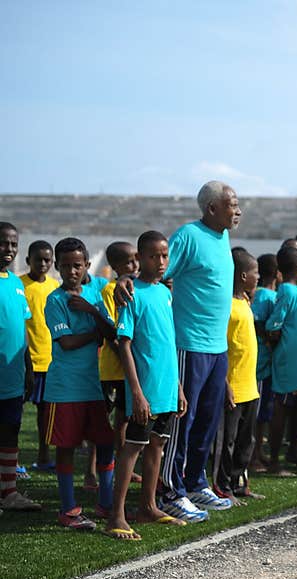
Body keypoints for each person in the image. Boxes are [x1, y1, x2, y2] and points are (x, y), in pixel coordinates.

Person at [115, 180, 241, 521]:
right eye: (232, 204)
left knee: (207, 421)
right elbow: (155, 271)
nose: (238, 210)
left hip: (217, 347)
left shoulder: (223, 235)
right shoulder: (188, 235)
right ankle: (170, 490)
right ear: (212, 208)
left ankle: (196, 481)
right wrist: (125, 278)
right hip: (189, 343)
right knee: (179, 424)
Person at [108, 231, 188, 540]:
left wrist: (179, 387)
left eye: (165, 255)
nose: (161, 262)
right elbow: (124, 344)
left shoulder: (165, 293)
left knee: (158, 446)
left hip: (167, 388)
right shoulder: (131, 293)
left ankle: (148, 507)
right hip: (146, 390)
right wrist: (137, 392)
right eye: (154, 256)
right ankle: (116, 515)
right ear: (139, 259)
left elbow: (167, 344)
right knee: (132, 449)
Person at [44, 237, 117, 529]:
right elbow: (67, 342)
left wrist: (91, 311)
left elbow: (111, 331)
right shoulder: (55, 300)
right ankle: (68, 510)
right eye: (65, 266)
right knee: (66, 447)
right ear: (57, 268)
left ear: (87, 264)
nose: (72, 271)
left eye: (77, 265)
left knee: (106, 442)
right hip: (65, 388)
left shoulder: (95, 295)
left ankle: (106, 504)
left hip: (92, 386)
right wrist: (94, 334)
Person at [212, 249, 262, 503]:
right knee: (226, 443)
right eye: (255, 273)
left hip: (250, 388)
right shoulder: (225, 306)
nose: (259, 277)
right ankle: (222, 488)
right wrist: (224, 384)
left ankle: (239, 482)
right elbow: (219, 347)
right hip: (232, 389)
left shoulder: (244, 300)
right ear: (243, 275)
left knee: (246, 442)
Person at [0, 222, 42, 513]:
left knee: (10, 431)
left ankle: (9, 492)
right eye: (3, 243)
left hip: (12, 374)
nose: (9, 250)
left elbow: (21, 330)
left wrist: (27, 367)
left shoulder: (16, 283)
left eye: (13, 245)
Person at [92, 241, 139, 493]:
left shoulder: (135, 288)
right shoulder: (111, 290)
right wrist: (125, 353)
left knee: (124, 419)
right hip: (112, 369)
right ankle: (93, 472)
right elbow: (112, 333)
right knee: (104, 421)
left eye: (135, 260)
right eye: (128, 262)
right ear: (114, 266)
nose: (134, 265)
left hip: (127, 369)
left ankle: (123, 467)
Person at [265, 246, 297, 474]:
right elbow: (273, 324)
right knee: (281, 411)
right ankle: (274, 460)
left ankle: (294, 450)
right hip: (289, 362)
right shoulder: (287, 292)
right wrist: (275, 337)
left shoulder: (295, 291)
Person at [20, 239, 58, 474]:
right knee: (15, 411)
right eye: (38, 260)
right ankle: (11, 460)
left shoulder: (54, 286)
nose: (43, 264)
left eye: (47, 260)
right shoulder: (19, 284)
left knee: (45, 412)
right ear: (28, 261)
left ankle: (43, 456)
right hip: (23, 361)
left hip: (49, 361)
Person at [250, 253, 279, 473]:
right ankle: (252, 456)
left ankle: (258, 451)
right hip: (259, 364)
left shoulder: (269, 295)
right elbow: (257, 322)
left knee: (264, 413)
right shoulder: (264, 296)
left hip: (267, 364)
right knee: (256, 415)